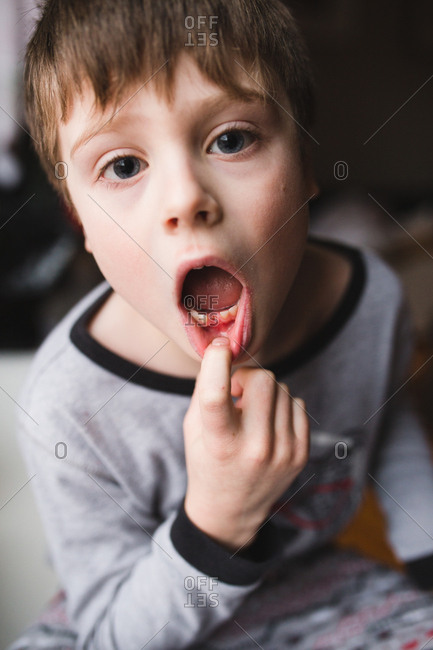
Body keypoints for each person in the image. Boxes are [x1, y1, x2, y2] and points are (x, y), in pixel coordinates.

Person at [9, 1, 433, 648]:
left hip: (327, 586)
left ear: (305, 169)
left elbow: (390, 433)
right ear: (80, 224)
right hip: (141, 609)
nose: (186, 198)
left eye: (230, 139)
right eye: (123, 165)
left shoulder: (368, 299)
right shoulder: (70, 402)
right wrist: (218, 519)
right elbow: (114, 631)